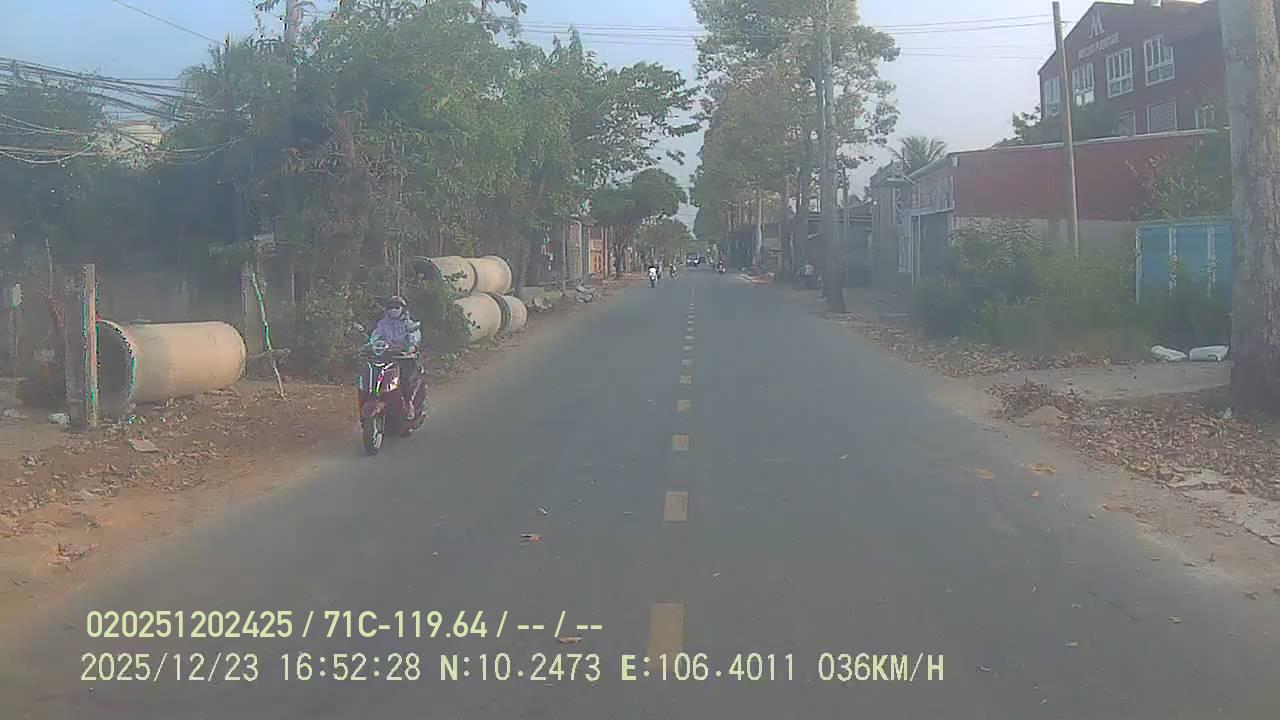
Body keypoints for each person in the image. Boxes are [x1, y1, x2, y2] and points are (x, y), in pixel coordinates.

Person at [371, 295, 424, 420]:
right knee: (373, 373)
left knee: (405, 378)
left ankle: (408, 404)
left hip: (405, 358)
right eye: (390, 307)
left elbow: (414, 338)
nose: (393, 310)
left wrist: (410, 347)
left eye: (396, 307)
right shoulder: (383, 324)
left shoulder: (408, 324)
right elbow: (375, 336)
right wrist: (374, 344)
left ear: (403, 309)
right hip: (386, 356)